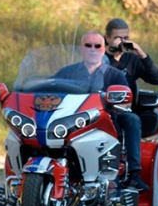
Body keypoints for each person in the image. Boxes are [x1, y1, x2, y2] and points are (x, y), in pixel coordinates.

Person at [55, 31, 149, 191]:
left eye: (97, 46)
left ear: (103, 49)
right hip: (72, 121)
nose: (93, 49)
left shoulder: (115, 74)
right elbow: (51, 90)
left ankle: (133, 173)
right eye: (88, 45)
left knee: (132, 118)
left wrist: (111, 102)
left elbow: (126, 102)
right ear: (81, 49)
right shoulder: (67, 73)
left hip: (105, 120)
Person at [104, 18, 158, 109]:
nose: (122, 42)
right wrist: (116, 57)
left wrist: (142, 55)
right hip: (103, 106)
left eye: (125, 38)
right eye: (118, 38)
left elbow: (156, 79)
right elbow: (103, 81)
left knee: (133, 120)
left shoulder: (132, 59)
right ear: (108, 38)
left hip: (125, 109)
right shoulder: (99, 56)